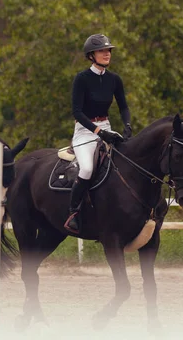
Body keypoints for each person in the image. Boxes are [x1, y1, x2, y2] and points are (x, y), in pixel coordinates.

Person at [64, 34, 132, 234]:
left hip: (107, 128)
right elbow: (77, 112)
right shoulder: (82, 79)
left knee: (128, 162)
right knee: (86, 169)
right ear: (91, 55)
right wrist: (98, 132)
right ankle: (73, 212)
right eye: (102, 51)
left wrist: (127, 125)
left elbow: (124, 107)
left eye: (108, 50)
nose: (107, 54)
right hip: (85, 132)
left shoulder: (114, 80)